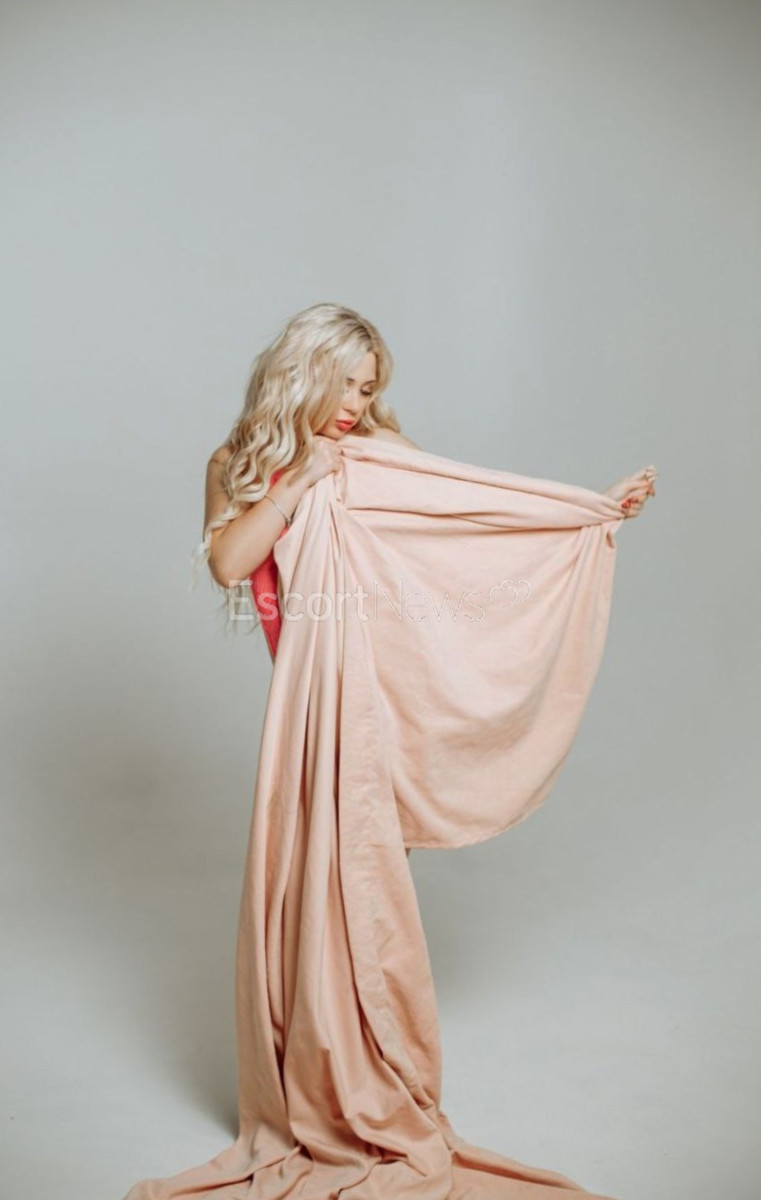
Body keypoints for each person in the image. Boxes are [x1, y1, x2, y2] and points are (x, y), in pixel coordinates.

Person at [124, 302, 656, 1200]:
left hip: (376, 698)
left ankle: (373, 1085)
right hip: (306, 703)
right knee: (305, 895)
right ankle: (318, 1082)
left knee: (360, 891)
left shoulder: (377, 453)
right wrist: (298, 481)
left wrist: (579, 515)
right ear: (302, 373)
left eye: (369, 389)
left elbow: (469, 513)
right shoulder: (237, 462)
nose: (356, 405)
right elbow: (228, 563)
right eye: (345, 385)